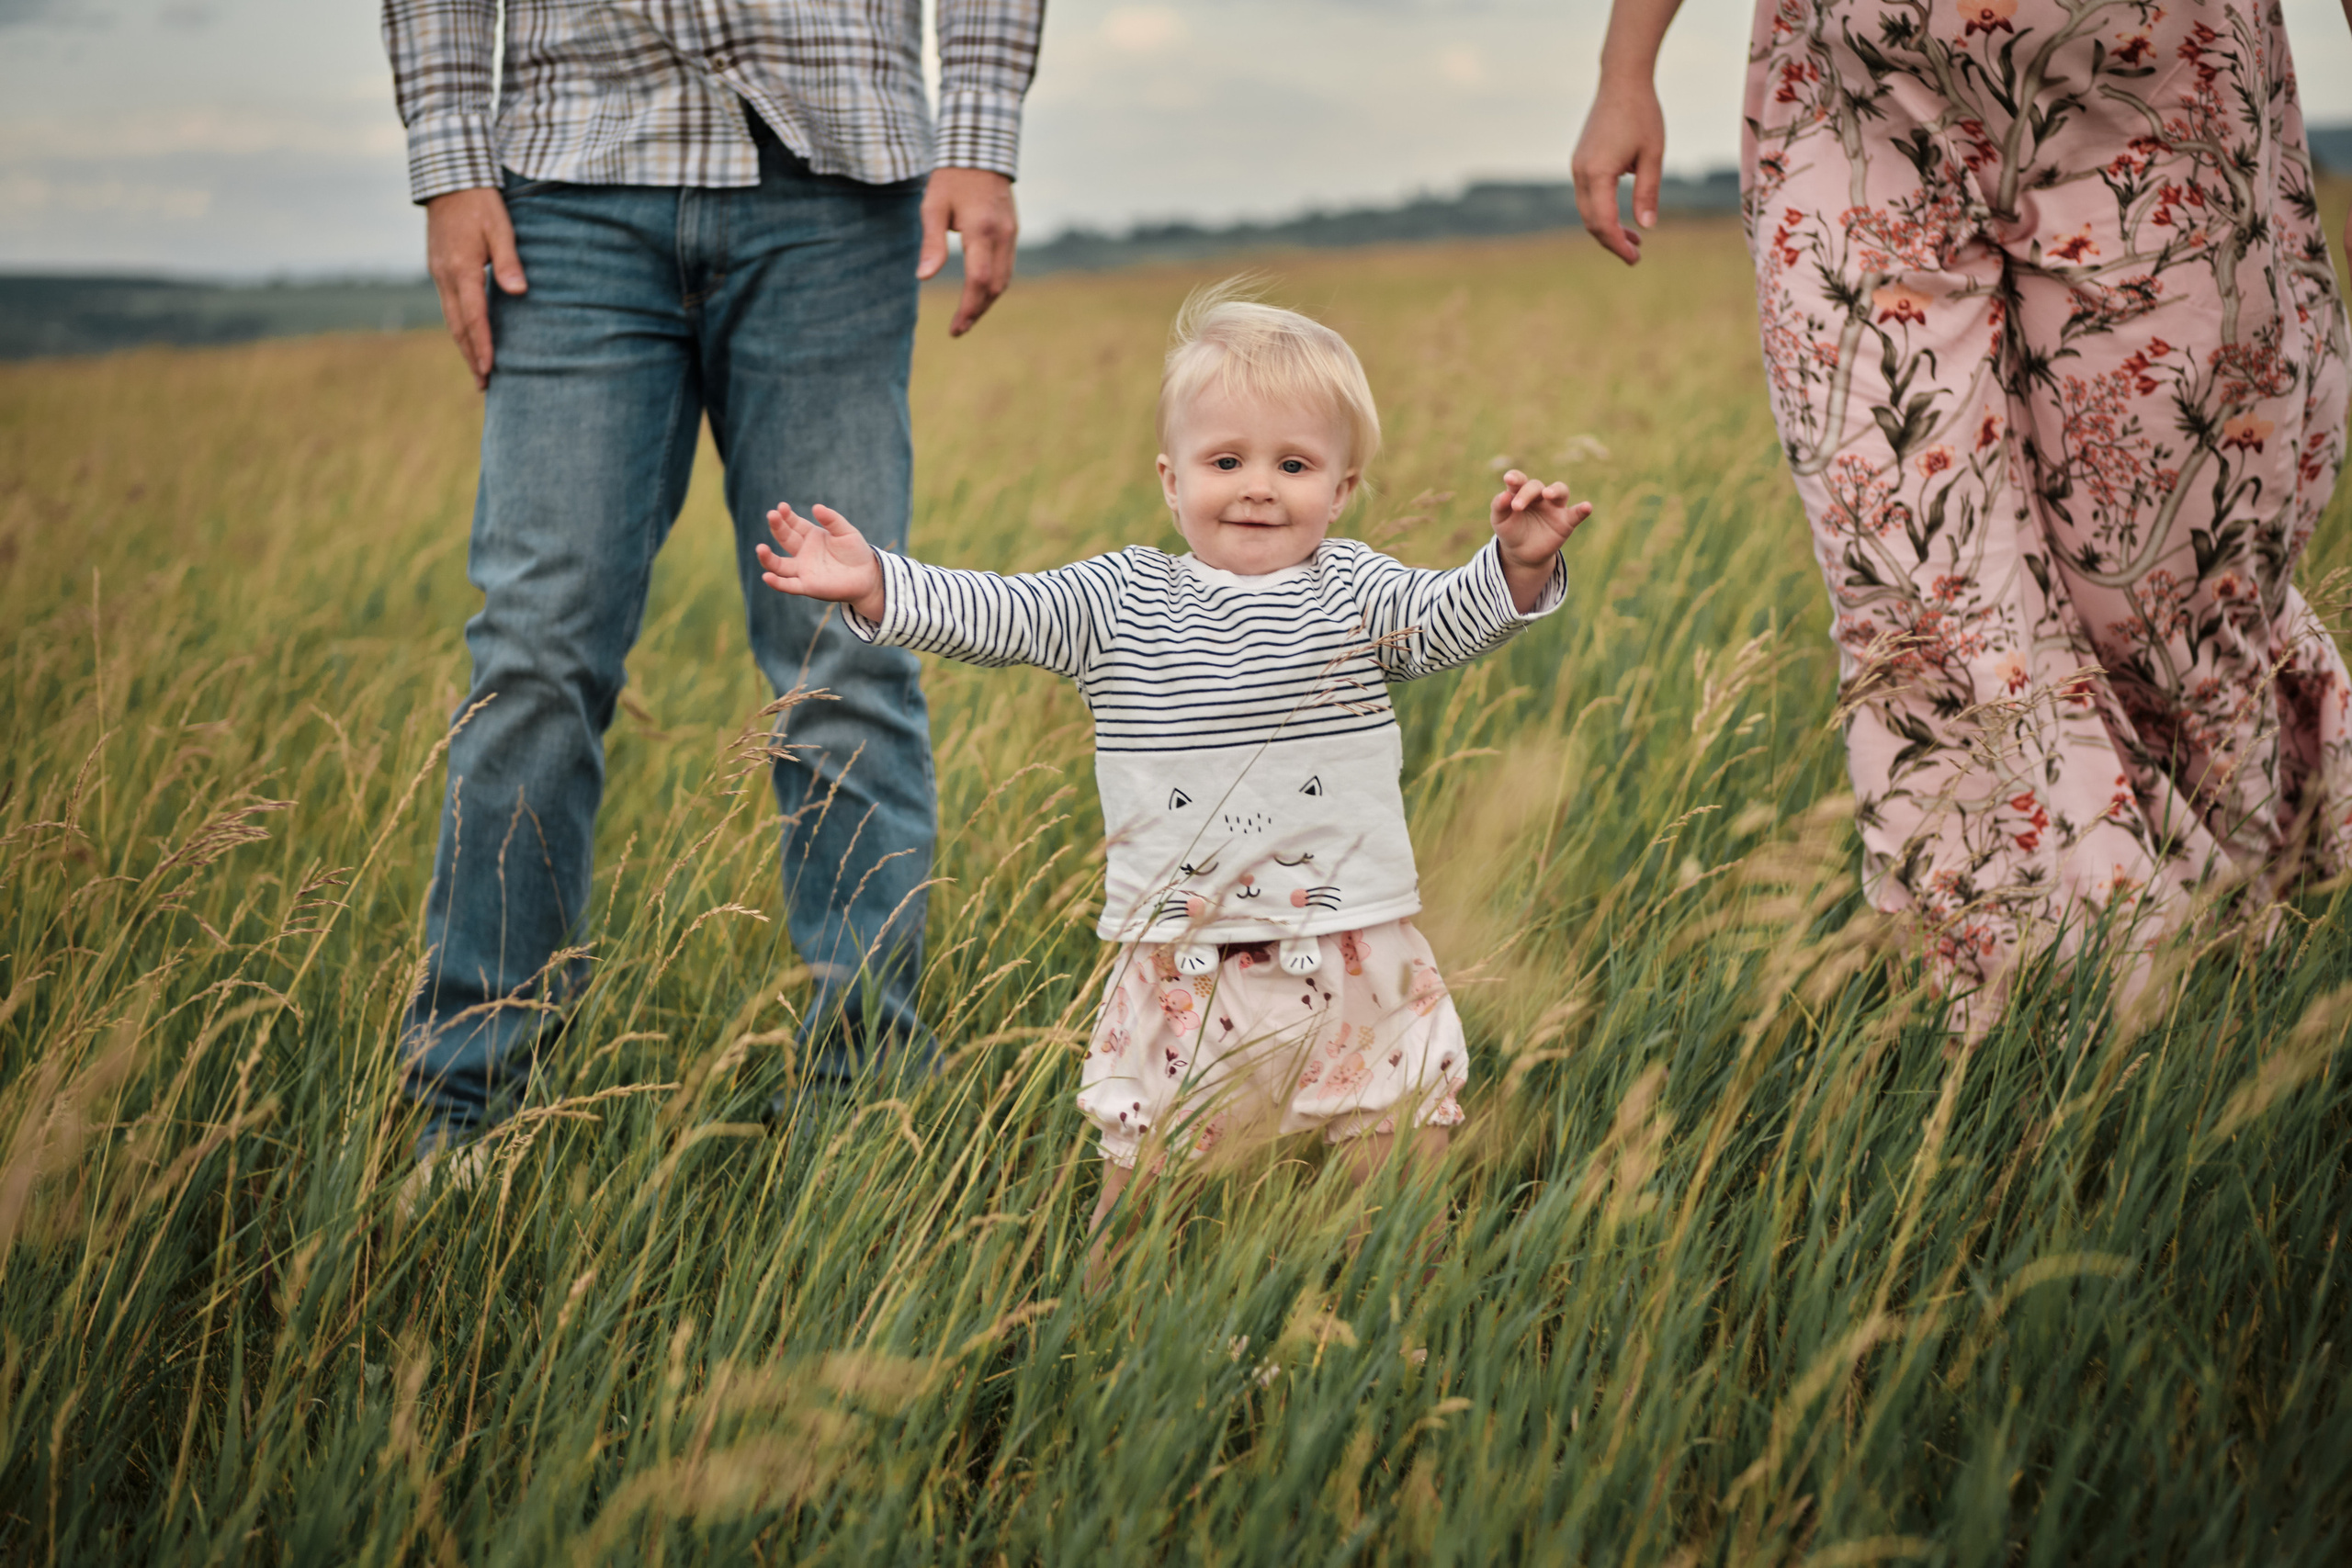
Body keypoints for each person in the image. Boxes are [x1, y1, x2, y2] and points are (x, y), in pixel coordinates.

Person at [749, 286, 1593, 1278]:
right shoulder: (1119, 600)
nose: (1258, 488)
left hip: (1353, 945)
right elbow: (999, 612)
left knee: (1397, 1159)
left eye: (1293, 465)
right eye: (1225, 461)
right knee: (1143, 1176)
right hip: (1182, 959)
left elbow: (1449, 617)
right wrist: (881, 585)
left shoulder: (1358, 591)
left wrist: (1513, 568)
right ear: (1170, 476)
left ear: (1342, 489)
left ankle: (1409, 1324)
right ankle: (1101, 1325)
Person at [1573, 0, 2352, 1020]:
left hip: (2156, 92)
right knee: (1912, 596)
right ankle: (2020, 1001)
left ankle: (2240, 950)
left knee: (2168, 611)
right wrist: (1625, 66)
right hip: (1855, 94)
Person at [381, 0, 1045, 1164]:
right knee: (535, 652)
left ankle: (863, 1108)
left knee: (845, 654)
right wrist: (447, 159)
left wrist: (981, 132)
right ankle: (464, 1112)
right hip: (572, 174)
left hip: (837, 176)